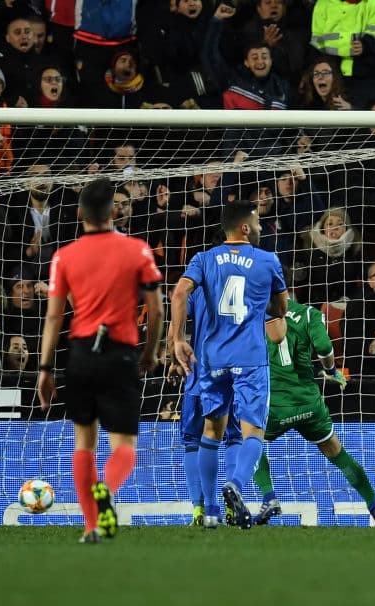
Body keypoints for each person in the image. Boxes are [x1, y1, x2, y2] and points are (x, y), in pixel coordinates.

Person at [37, 178, 165, 544]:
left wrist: (45, 370)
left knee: (84, 443)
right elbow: (156, 310)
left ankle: (91, 526)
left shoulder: (64, 255)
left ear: (80, 215)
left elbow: (54, 317)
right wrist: (150, 352)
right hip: (120, 353)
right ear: (113, 211)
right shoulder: (138, 251)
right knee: (123, 444)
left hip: (79, 355)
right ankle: (107, 489)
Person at [170, 199, 289, 530]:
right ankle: (235, 483)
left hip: (211, 358)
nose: (263, 228)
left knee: (211, 431)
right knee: (253, 432)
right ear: (246, 227)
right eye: (259, 223)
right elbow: (280, 309)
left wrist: (177, 339)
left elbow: (179, 295)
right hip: (249, 357)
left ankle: (209, 511)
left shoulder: (203, 259)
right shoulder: (267, 260)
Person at [251, 296, 375, 527]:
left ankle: (269, 497)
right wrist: (332, 370)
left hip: (274, 406)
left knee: (248, 439)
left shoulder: (253, 316)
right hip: (309, 405)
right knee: (338, 453)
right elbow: (325, 347)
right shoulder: (309, 314)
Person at [177, 288, 243, 528]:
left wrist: (176, 340)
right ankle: (232, 502)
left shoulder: (200, 283)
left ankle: (199, 508)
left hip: (199, 375)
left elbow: (179, 303)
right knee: (234, 437)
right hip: (235, 375)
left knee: (193, 441)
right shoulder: (248, 280)